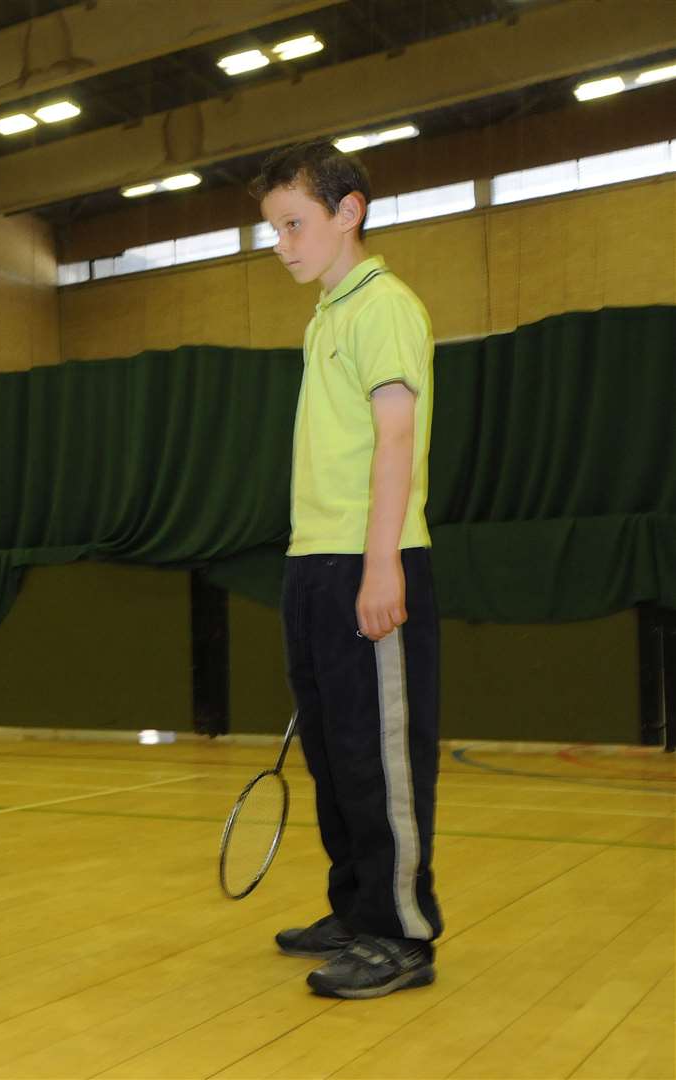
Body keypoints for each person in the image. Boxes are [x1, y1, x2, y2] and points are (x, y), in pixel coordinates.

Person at [251, 140, 443, 999]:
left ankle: (399, 932)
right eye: (272, 230)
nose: (282, 243)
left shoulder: (382, 307)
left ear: (348, 211)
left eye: (293, 224)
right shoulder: (324, 315)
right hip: (311, 562)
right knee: (334, 755)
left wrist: (380, 569)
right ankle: (355, 906)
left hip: (372, 559)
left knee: (380, 757)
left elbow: (395, 439)